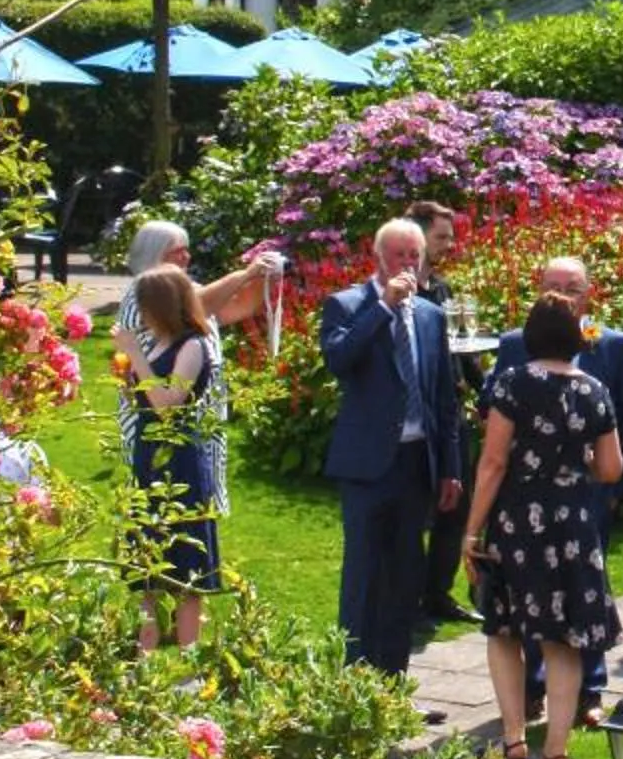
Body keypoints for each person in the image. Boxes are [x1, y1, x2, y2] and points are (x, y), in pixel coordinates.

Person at [465, 290, 623, 759]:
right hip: (574, 524)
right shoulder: (595, 390)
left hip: (518, 522)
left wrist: (471, 530)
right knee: (563, 639)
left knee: (504, 630)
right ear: (576, 337)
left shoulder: (513, 384)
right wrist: (575, 466)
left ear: (530, 336)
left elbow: (493, 462)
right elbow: (611, 468)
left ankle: (513, 739)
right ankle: (555, 752)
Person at [494, 253, 623, 721]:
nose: (562, 295)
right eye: (553, 286)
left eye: (572, 288)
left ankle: (590, 690)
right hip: (526, 500)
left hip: (585, 497)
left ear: (589, 295)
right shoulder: (514, 345)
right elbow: (491, 416)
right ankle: (535, 687)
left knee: (587, 591)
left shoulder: (613, 346)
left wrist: (615, 488)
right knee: (532, 591)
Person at [319, 218, 464, 675]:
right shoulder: (347, 305)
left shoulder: (430, 315)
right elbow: (339, 359)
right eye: (398, 255)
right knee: (364, 573)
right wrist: (383, 307)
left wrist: (450, 468)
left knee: (405, 576)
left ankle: (392, 679)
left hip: (416, 461)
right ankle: (354, 676)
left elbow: (444, 397)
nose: (406, 264)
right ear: (378, 257)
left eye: (413, 255)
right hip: (367, 465)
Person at [117, 217, 282, 520]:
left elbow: (239, 308)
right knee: (163, 502)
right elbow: (198, 307)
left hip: (196, 412)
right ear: (154, 254)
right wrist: (244, 273)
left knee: (198, 494)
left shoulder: (185, 290)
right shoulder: (143, 294)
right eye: (177, 251)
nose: (186, 257)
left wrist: (264, 277)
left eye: (187, 249)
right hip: (156, 415)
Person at [116, 263, 222, 651]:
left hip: (180, 460)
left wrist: (134, 355)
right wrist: (129, 376)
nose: (140, 314)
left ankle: (188, 658)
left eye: (144, 305)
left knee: (186, 564)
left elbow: (168, 404)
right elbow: (146, 399)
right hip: (149, 455)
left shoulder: (192, 345)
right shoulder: (156, 343)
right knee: (146, 562)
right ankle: (145, 652)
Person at [411, 201, 476, 623]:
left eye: (450, 237)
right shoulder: (399, 295)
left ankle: (437, 594)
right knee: (416, 511)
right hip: (417, 417)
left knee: (456, 506)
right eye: (441, 237)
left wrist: (487, 393)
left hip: (452, 412)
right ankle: (409, 599)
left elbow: (463, 350)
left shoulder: (443, 289)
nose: (449, 245)